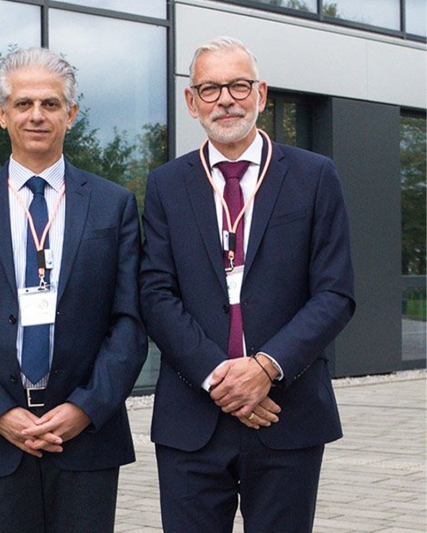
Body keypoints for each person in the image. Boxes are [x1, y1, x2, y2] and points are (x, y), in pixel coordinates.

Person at [139, 36, 356, 533]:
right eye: (210, 89)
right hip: (192, 417)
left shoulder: (314, 176)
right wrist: (220, 376)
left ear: (261, 93)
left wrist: (265, 368)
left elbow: (335, 292)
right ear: (191, 101)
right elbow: (155, 293)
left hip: (287, 413)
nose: (226, 100)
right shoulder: (166, 185)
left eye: (238, 85)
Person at [0, 47, 147, 533]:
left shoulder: (113, 205)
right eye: (23, 103)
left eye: (50, 104)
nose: (37, 115)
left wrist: (85, 408)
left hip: (86, 435)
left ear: (71, 113)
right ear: (1, 113)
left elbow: (129, 321)